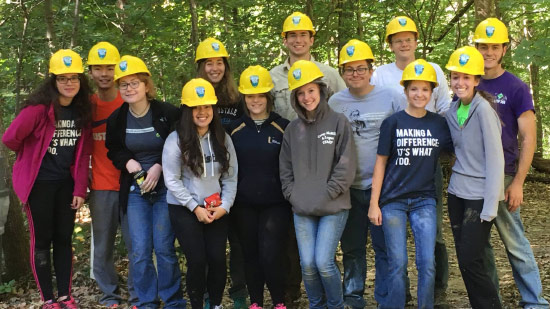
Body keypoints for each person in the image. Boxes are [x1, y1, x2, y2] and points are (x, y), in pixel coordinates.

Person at [2, 49, 93, 309]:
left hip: (66, 185)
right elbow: (10, 138)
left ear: (80, 81)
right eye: (63, 78)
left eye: (74, 78)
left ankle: (65, 296)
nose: (69, 83)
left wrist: (79, 189)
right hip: (38, 185)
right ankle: (48, 299)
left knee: (64, 239)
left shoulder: (81, 111)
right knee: (42, 240)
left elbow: (83, 152)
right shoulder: (38, 110)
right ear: (53, 81)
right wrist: (31, 155)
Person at [370, 16, 451, 304]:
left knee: (426, 262)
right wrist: (374, 203)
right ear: (405, 91)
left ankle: (427, 302)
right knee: (398, 262)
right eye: (413, 89)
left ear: (432, 92)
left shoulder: (439, 123)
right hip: (392, 199)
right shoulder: (391, 121)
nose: (419, 94)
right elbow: (381, 162)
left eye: (425, 90)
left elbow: (460, 142)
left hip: (425, 198)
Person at [270, 12, 346, 305]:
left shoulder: (329, 74)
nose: (298, 40)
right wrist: (290, 188)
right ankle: (294, 294)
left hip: (327, 170)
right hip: (290, 166)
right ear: (285, 40)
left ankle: (336, 298)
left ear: (312, 39)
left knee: (324, 254)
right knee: (295, 247)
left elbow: (343, 112)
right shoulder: (274, 76)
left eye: (304, 35)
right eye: (292, 35)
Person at [473, 18, 549, 309]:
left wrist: (518, 182)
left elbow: (528, 137)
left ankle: (535, 301)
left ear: (504, 49)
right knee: (481, 247)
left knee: (514, 242)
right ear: (476, 48)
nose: (488, 52)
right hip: (473, 178)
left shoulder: (515, 86)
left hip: (503, 178)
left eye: (494, 46)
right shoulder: (469, 82)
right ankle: (491, 301)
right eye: (483, 46)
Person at [105, 55, 185, 309]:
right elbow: (114, 149)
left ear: (146, 85)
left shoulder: (167, 113)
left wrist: (160, 167)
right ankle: (148, 302)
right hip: (135, 190)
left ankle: (173, 302)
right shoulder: (117, 119)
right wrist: (130, 164)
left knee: (163, 249)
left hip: (166, 190)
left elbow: (182, 145)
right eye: (124, 84)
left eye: (135, 83)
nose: (129, 89)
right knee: (139, 251)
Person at [329, 39, 402, 309]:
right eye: (349, 70)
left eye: (361, 68)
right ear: (342, 73)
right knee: (352, 248)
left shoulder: (391, 97)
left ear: (371, 70)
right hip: (348, 187)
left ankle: (386, 299)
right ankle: (353, 298)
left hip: (383, 188)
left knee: (385, 248)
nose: (355, 74)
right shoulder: (335, 102)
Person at [279, 60, 356, 309]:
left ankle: (335, 305)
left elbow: (346, 166)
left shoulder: (339, 122)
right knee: (308, 265)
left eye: (310, 90)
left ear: (321, 91)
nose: (306, 97)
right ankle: (316, 305)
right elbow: (285, 169)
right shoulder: (292, 129)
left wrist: (327, 194)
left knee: (324, 262)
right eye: (300, 93)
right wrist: (294, 196)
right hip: (302, 208)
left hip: (333, 206)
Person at [163, 78, 238, 309]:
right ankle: (196, 304)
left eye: (206, 106)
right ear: (187, 110)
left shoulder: (223, 138)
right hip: (184, 208)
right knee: (197, 260)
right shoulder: (175, 140)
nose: (202, 112)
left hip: (216, 208)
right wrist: (195, 208)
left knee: (217, 259)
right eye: (196, 107)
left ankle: (214, 304)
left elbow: (231, 177)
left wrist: (224, 207)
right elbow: (172, 180)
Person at [444, 46, 503, 308]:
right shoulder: (451, 110)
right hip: (456, 194)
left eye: (466, 77)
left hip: (479, 198)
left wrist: (491, 206)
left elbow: (496, 159)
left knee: (471, 259)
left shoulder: (483, 110)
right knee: (464, 260)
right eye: (456, 76)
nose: (460, 82)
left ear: (477, 80)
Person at [228, 66, 291, 309]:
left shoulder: (283, 126)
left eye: (261, 95)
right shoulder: (233, 129)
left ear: (269, 97)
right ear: (244, 98)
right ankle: (255, 301)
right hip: (243, 204)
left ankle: (278, 301)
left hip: (276, 203)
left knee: (271, 253)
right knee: (250, 254)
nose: (256, 101)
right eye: (250, 96)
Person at [195, 37, 247, 308]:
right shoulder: (191, 97)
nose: (214, 68)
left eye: (219, 63)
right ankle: (206, 296)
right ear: (200, 67)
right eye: (208, 63)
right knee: (206, 248)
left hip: (233, 181)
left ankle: (239, 293)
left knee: (237, 244)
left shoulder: (238, 99)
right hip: (202, 183)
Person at [86, 41, 137, 308]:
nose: (104, 73)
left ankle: (139, 294)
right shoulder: (87, 106)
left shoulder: (129, 101)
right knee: (102, 247)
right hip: (101, 187)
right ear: (91, 72)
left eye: (110, 67)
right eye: (98, 68)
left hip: (132, 186)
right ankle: (109, 295)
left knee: (136, 245)